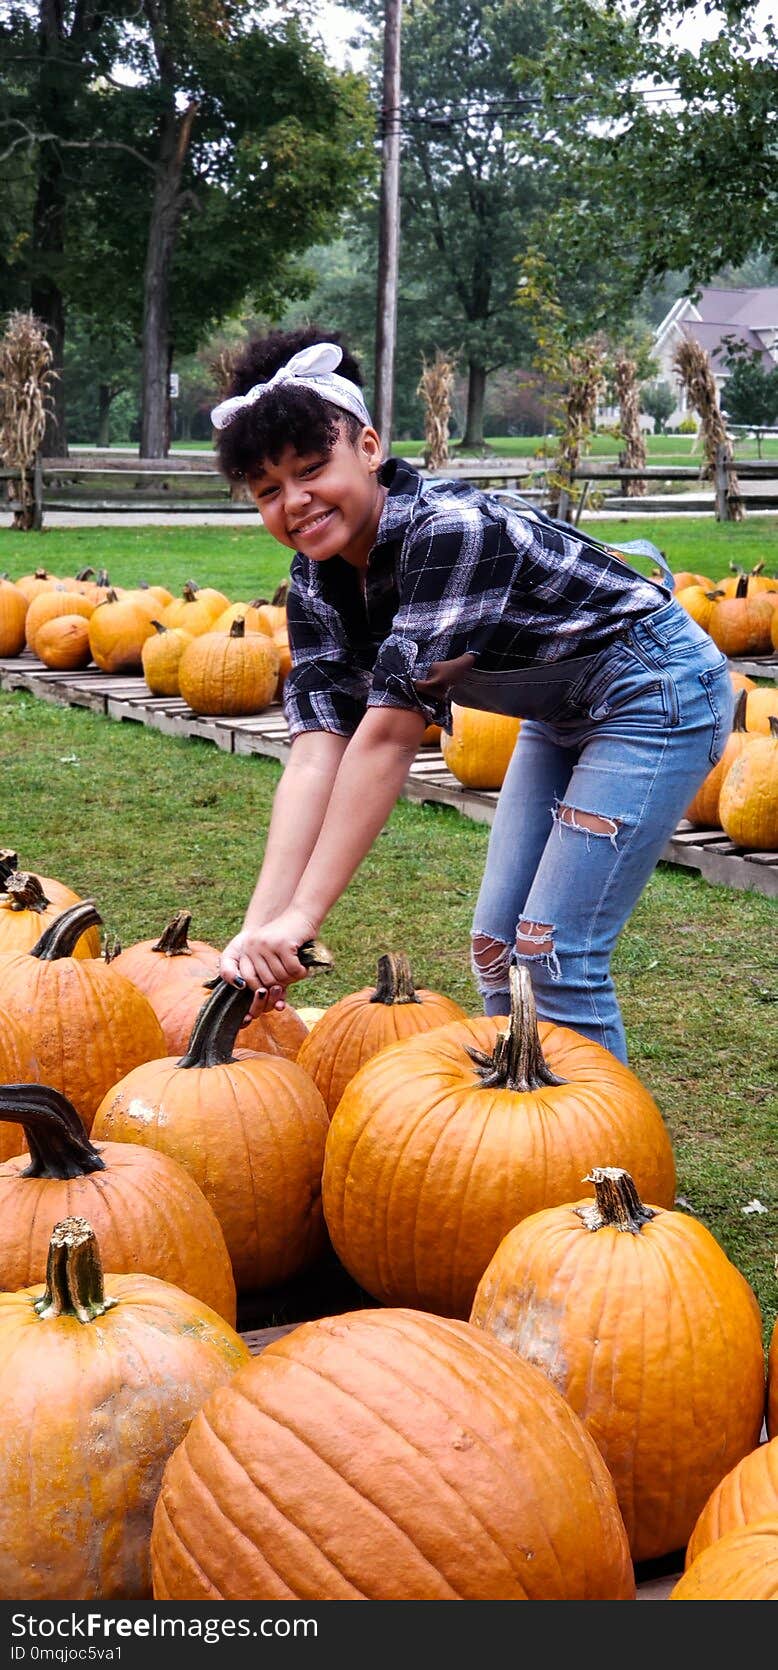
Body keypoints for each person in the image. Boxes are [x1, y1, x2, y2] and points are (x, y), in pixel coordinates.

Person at [214, 326, 733, 1063]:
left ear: (367, 447)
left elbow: (389, 737)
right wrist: (263, 927)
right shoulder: (315, 581)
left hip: (655, 691)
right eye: (268, 491)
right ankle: (527, 1135)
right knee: (496, 948)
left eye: (310, 470)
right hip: (558, 714)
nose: (294, 502)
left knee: (554, 951)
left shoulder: (447, 533)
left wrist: (306, 914)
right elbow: (314, 757)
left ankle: (597, 1158)